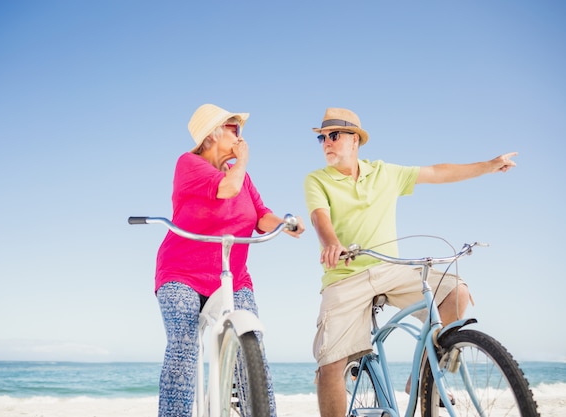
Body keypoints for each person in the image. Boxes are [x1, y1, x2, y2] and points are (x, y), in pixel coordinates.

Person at [303, 107, 517, 417]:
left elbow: (437, 172)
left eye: (334, 135)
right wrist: (332, 243)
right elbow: (320, 218)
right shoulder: (317, 180)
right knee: (330, 367)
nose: (326, 142)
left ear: (355, 140)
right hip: (344, 277)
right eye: (322, 137)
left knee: (456, 292)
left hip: (390, 268)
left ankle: (421, 380)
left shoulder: (384, 173)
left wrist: (488, 166)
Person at [154, 103, 305, 417]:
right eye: (234, 128)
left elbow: (260, 214)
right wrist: (245, 159)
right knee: (183, 347)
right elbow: (228, 188)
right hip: (181, 273)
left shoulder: (241, 176)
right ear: (212, 134)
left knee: (254, 348)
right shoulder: (189, 163)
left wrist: (284, 223)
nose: (240, 136)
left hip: (232, 274)